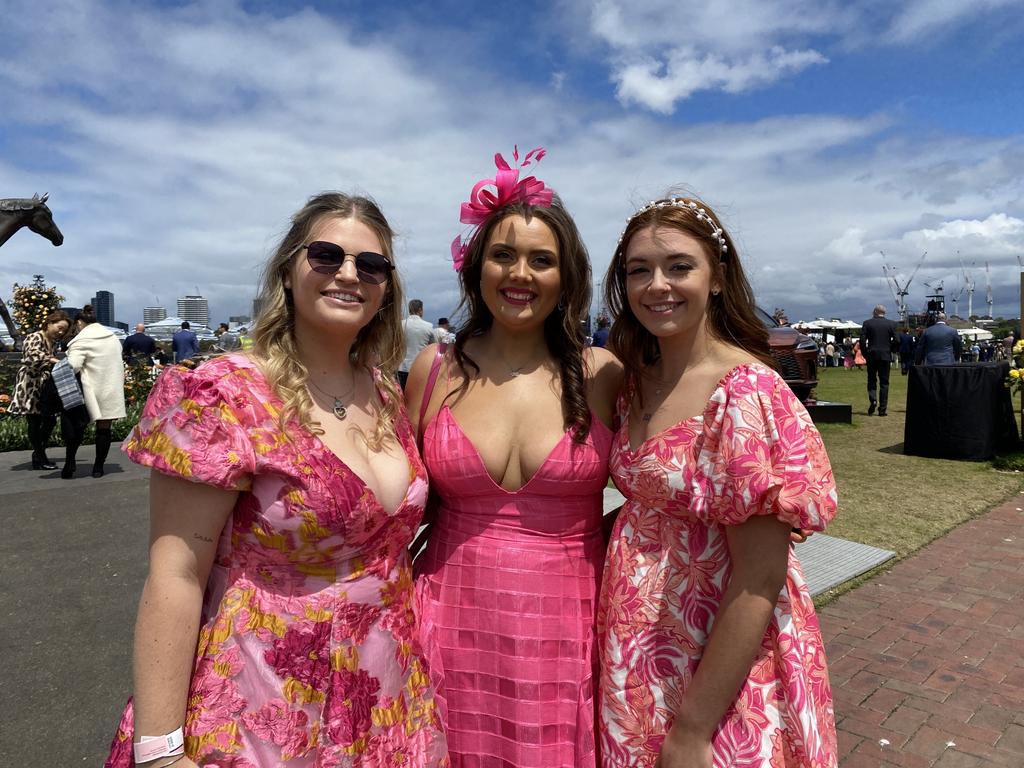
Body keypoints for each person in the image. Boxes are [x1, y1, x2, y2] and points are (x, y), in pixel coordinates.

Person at [104, 193, 448, 768]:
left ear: (386, 287)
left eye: (370, 265)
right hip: (262, 696)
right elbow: (176, 575)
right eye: (326, 255)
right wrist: (161, 750)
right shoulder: (226, 393)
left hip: (385, 690)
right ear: (288, 271)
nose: (348, 274)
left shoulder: (385, 392)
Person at [598, 196, 838, 767]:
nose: (657, 285)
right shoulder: (637, 381)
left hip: (717, 663)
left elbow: (758, 577)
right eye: (639, 270)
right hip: (637, 651)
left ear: (719, 277)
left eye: (679, 266)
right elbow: (653, 508)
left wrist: (693, 729)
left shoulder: (746, 392)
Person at [407, 148, 621, 767]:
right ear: (476, 267)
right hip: (447, 623)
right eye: (503, 254)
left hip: (573, 626)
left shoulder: (603, 374)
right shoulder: (434, 370)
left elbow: (657, 491)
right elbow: (397, 502)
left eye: (542, 259)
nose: (519, 273)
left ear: (568, 276)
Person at [63, 305, 126, 478]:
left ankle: (70, 463)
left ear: (79, 323)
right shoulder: (112, 337)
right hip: (110, 389)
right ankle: (98, 467)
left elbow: (73, 366)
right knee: (104, 429)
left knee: (76, 428)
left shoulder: (81, 340)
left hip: (87, 391)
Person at [9, 310, 71, 470]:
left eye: (64, 329)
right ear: (49, 323)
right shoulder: (35, 336)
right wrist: (54, 360)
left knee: (48, 419)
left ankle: (38, 454)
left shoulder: (52, 341)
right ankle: (40, 456)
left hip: (42, 384)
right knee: (34, 421)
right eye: (59, 327)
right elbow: (32, 356)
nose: (61, 331)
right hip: (30, 383)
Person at [860, 304, 898, 416]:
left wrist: (865, 353)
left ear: (875, 312)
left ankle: (873, 400)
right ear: (884, 313)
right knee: (884, 382)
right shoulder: (891, 324)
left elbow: (862, 340)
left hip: (872, 354)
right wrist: (890, 349)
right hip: (885, 355)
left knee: (871, 380)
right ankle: (882, 409)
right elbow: (897, 339)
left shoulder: (867, 323)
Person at [397, 299, 436, 388]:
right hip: (421, 368)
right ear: (420, 310)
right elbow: (434, 347)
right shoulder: (428, 326)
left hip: (402, 367)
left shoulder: (400, 325)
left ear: (410, 310)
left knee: (402, 397)